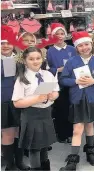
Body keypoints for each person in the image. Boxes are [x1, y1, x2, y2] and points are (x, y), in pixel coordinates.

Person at [60, 31, 94, 170]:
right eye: (80, 46)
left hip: (92, 99)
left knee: (90, 126)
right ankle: (73, 159)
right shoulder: (72, 61)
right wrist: (75, 80)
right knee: (77, 129)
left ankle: (90, 152)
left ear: (91, 44)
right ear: (76, 48)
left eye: (86, 44)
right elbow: (63, 79)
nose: (84, 48)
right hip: (77, 99)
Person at [12, 47, 58, 170]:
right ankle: (36, 169)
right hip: (31, 114)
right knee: (34, 147)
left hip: (46, 113)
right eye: (31, 59)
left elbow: (55, 91)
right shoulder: (22, 79)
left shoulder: (47, 74)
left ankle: (45, 167)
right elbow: (16, 102)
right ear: (25, 60)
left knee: (44, 145)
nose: (35, 61)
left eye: (38, 58)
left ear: (42, 59)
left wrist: (53, 95)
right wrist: (36, 99)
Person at [1, 26, 30, 171]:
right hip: (4, 102)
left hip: (20, 100)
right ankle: (9, 164)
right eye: (1, 43)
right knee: (7, 132)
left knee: (19, 131)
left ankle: (19, 161)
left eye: (8, 42)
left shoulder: (21, 59)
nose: (5, 46)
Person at [46, 23, 77, 144]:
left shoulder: (72, 49)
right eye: (56, 34)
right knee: (61, 110)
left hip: (73, 82)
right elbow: (46, 70)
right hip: (59, 84)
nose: (59, 36)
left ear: (66, 34)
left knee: (72, 108)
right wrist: (57, 70)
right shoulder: (50, 51)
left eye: (62, 33)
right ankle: (63, 134)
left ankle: (73, 131)